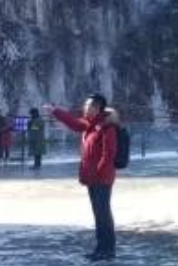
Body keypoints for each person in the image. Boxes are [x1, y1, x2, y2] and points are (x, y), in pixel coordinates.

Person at [48, 94, 119, 262]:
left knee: (103, 215)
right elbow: (73, 123)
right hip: (92, 178)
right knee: (98, 214)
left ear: (97, 107)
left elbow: (108, 155)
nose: (85, 108)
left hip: (101, 178)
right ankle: (100, 248)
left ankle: (107, 250)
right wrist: (55, 111)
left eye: (88, 106)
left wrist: (98, 174)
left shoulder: (107, 127)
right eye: (85, 105)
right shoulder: (89, 125)